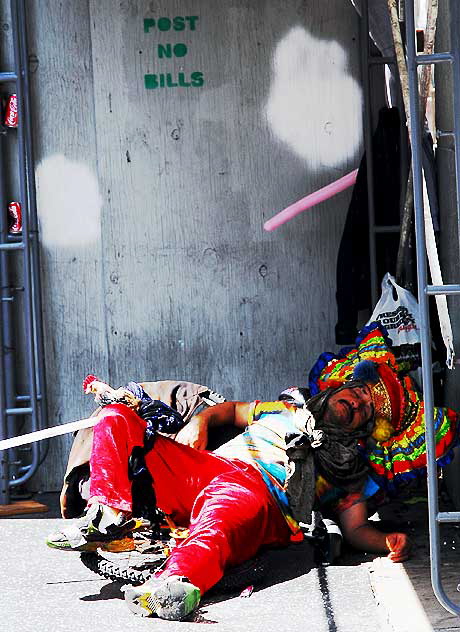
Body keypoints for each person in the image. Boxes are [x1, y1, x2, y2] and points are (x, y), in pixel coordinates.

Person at [46, 322, 459, 621]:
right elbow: (234, 410)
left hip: (262, 497)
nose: (358, 402)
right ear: (339, 386)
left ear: (368, 428)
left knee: (222, 516)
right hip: (212, 467)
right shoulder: (289, 409)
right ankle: (105, 515)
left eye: (368, 410)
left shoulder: (350, 470)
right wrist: (201, 422)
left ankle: (176, 586)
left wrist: (385, 539)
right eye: (359, 392)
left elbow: (353, 530)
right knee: (116, 416)